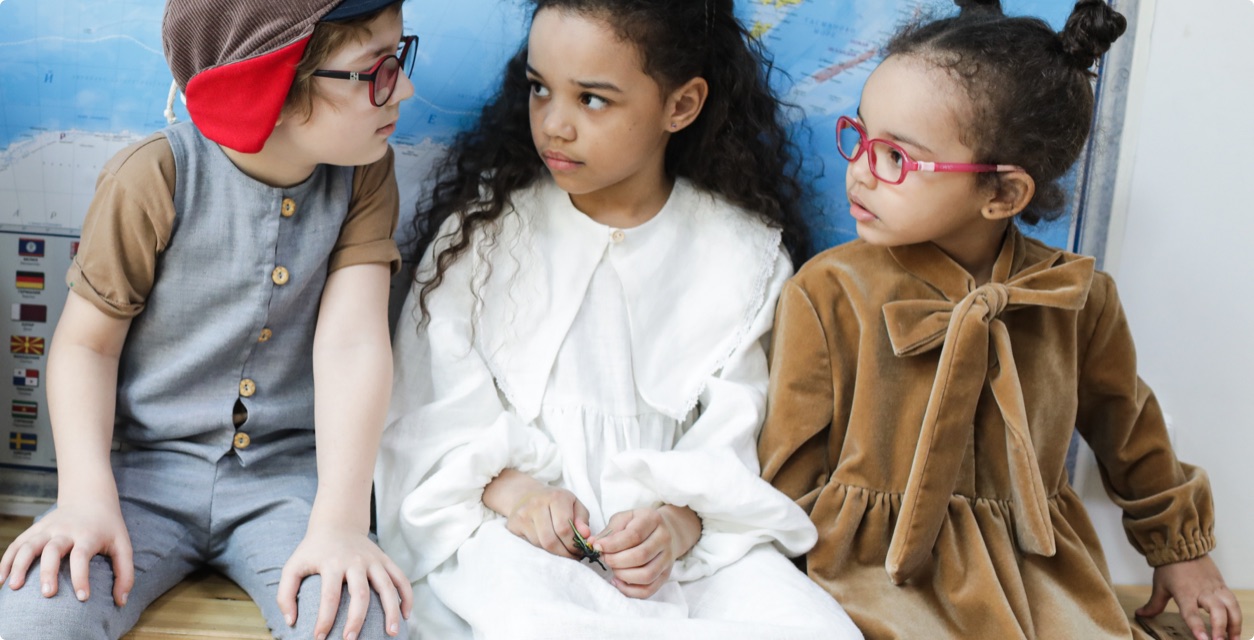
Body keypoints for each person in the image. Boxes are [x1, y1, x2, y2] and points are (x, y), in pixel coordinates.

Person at [374, 0, 863, 638]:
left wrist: (675, 525)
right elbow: (426, 419)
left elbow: (741, 437)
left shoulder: (742, 254)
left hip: (695, 559)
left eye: (592, 99)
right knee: (540, 621)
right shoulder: (485, 237)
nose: (554, 124)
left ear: (681, 106)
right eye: (539, 89)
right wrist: (521, 496)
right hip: (514, 540)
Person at [758, 1, 1243, 639]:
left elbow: (1128, 429)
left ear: (1002, 193)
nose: (860, 171)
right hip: (869, 571)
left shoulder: (1074, 298)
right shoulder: (828, 292)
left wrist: (1181, 552)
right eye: (861, 136)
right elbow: (786, 473)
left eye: (895, 158)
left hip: (1035, 570)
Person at [0, 1, 417, 638]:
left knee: (360, 620)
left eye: (400, 57)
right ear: (273, 85)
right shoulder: (152, 177)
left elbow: (352, 344)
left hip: (293, 482)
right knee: (35, 612)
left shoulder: (365, 174)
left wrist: (341, 523)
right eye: (378, 69)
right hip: (140, 478)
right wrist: (83, 499)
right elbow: (86, 347)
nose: (404, 88)